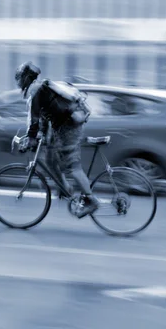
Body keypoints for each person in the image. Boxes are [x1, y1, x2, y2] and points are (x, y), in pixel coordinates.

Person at [14, 61, 98, 218]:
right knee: (51, 158)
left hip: (69, 126)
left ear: (26, 78)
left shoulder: (35, 91)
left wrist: (31, 138)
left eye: (19, 78)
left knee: (72, 165)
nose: (18, 82)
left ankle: (91, 200)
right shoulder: (42, 88)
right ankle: (65, 188)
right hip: (64, 125)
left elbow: (34, 119)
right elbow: (46, 115)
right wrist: (41, 134)